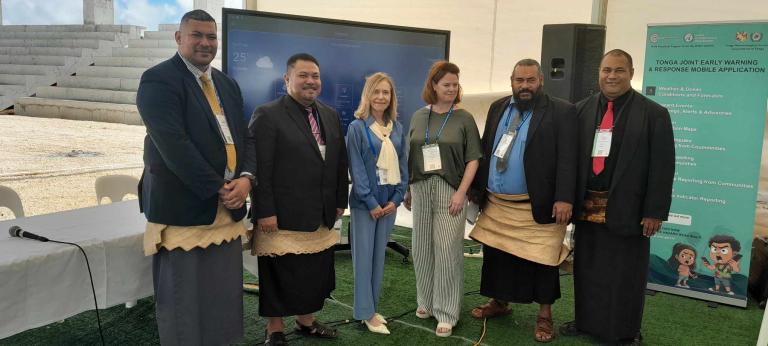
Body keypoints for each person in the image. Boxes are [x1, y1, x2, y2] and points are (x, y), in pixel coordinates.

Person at [136, 9, 255, 346]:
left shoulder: (227, 84)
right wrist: (220, 188)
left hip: (227, 209)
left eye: (211, 36)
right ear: (179, 38)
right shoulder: (158, 79)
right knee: (183, 306)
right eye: (197, 35)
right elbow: (174, 145)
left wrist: (245, 179)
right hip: (184, 210)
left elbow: (245, 137)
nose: (205, 43)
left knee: (223, 301)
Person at [560, 49, 675, 346]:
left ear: (631, 73)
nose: (611, 76)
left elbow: (663, 168)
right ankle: (586, 322)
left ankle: (625, 332)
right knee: (587, 269)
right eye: (606, 70)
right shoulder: (580, 110)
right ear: (598, 72)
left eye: (619, 70)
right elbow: (569, 161)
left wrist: (655, 211)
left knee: (626, 275)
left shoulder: (654, 114)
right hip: (588, 208)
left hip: (631, 210)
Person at [467, 58, 577, 343]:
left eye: (530, 80)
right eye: (520, 80)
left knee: (543, 261)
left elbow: (569, 158)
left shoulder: (561, 111)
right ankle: (500, 302)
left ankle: (545, 315)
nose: (524, 86)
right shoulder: (498, 107)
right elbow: (486, 146)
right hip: (497, 202)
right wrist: (476, 189)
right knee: (497, 256)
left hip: (538, 205)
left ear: (541, 80)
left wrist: (565, 197)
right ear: (512, 81)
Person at [249, 53, 349, 346]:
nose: (310, 81)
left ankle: (306, 322)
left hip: (320, 212)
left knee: (315, 271)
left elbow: (338, 162)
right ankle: (275, 330)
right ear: (287, 79)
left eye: (315, 76)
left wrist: (339, 200)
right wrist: (265, 211)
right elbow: (260, 168)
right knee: (279, 273)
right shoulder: (267, 114)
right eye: (303, 75)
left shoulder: (329, 114)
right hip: (281, 214)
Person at [404, 60, 483, 337]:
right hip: (421, 187)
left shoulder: (464, 118)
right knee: (422, 246)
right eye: (446, 84)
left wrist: (462, 192)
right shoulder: (417, 116)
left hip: (451, 190)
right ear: (433, 86)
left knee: (448, 250)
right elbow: (411, 154)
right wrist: (408, 189)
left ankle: (447, 312)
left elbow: (473, 159)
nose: (452, 89)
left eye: (455, 84)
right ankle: (425, 301)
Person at [346, 72, 408, 335]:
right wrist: (370, 202)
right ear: (368, 95)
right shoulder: (357, 128)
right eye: (377, 91)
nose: (381, 97)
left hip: (389, 205)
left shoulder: (398, 127)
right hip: (365, 206)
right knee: (363, 259)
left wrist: (396, 199)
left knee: (378, 259)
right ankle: (364, 313)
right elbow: (357, 169)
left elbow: (404, 166)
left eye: (386, 92)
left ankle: (371, 308)